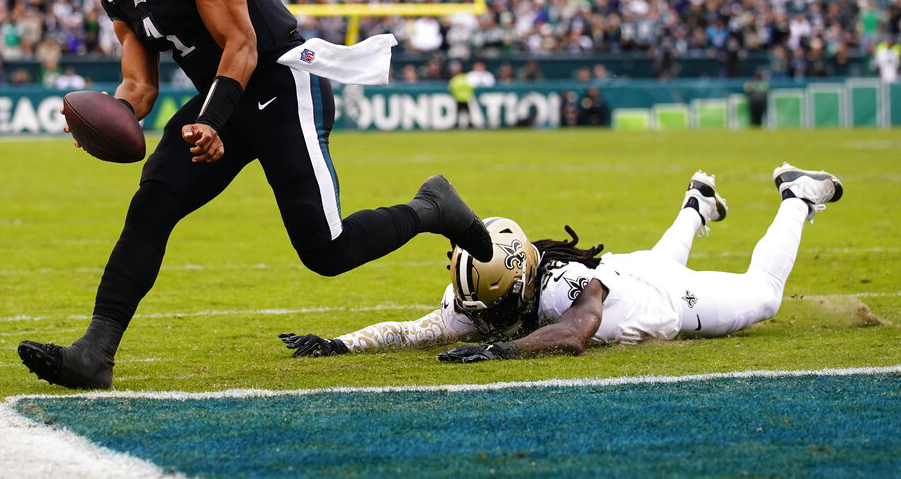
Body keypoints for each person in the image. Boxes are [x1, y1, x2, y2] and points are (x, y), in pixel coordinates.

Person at [16, 0, 492, 389]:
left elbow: (242, 44)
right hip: (222, 99)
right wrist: (110, 115)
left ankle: (432, 208)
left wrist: (214, 120)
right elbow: (141, 86)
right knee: (153, 203)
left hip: (280, 85)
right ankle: (95, 353)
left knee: (325, 251)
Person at [280, 164, 843, 362]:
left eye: (498, 309)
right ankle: (696, 205)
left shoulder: (563, 288)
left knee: (764, 294)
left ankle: (796, 195)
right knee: (661, 256)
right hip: (633, 274)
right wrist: (344, 343)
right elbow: (414, 331)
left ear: (520, 278)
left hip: (662, 300)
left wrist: (503, 349)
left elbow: (575, 333)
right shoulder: (486, 289)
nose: (489, 318)